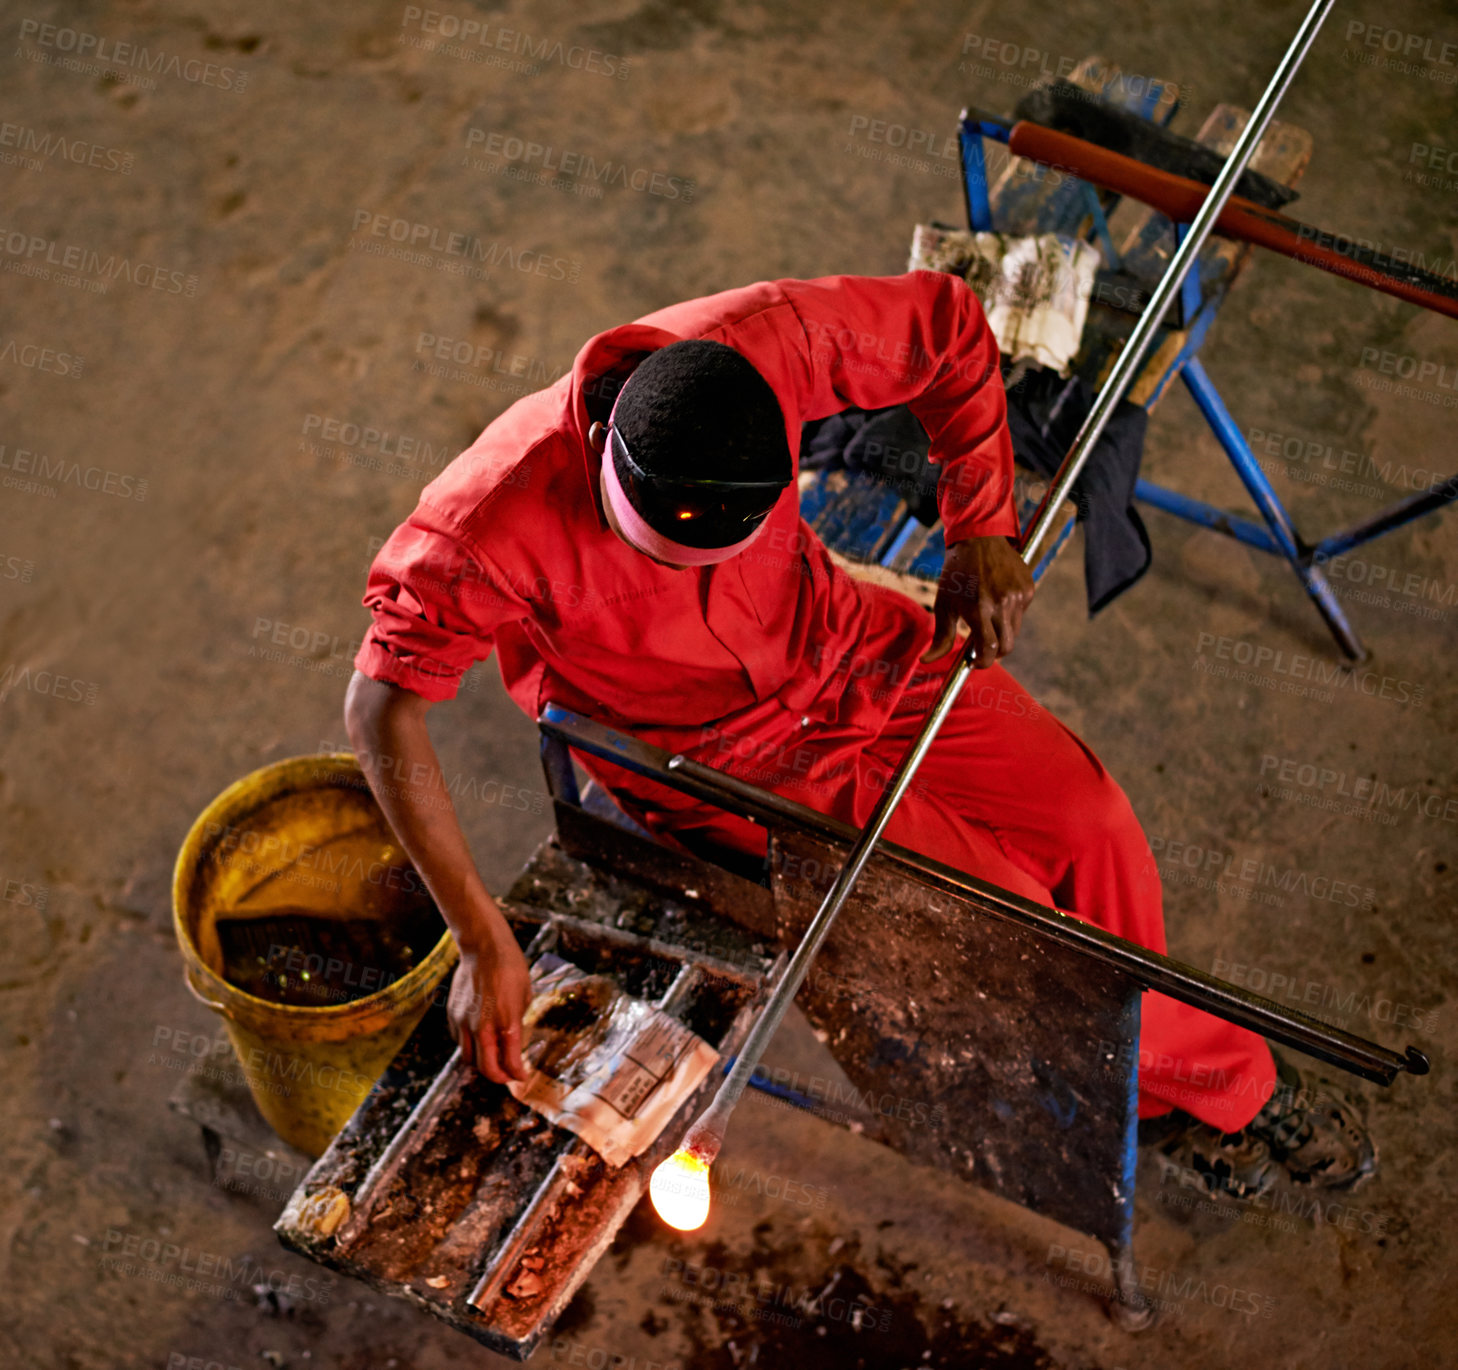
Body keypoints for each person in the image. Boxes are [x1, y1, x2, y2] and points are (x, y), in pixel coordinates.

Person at [344, 270, 1375, 1193]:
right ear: (610, 466)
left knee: (1091, 821)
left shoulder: (764, 339)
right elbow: (382, 704)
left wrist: (980, 524)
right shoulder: (481, 524)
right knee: (1019, 926)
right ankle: (1223, 1083)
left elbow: (950, 325)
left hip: (857, 650)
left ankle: (1149, 1093)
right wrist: (479, 936)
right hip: (731, 762)